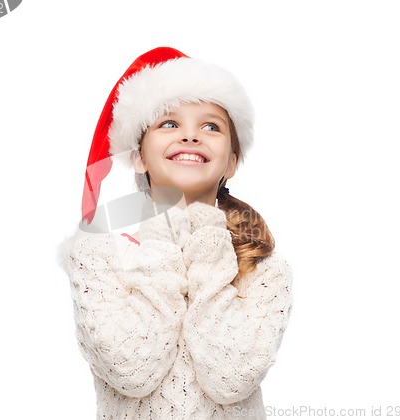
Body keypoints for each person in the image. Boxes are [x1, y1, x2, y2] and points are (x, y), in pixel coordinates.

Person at [63, 46, 292, 419]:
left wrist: (207, 238)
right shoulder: (97, 252)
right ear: (138, 157)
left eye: (211, 126)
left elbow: (230, 379)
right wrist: (163, 230)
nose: (190, 136)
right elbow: (132, 371)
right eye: (169, 123)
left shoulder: (263, 268)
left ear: (231, 162)